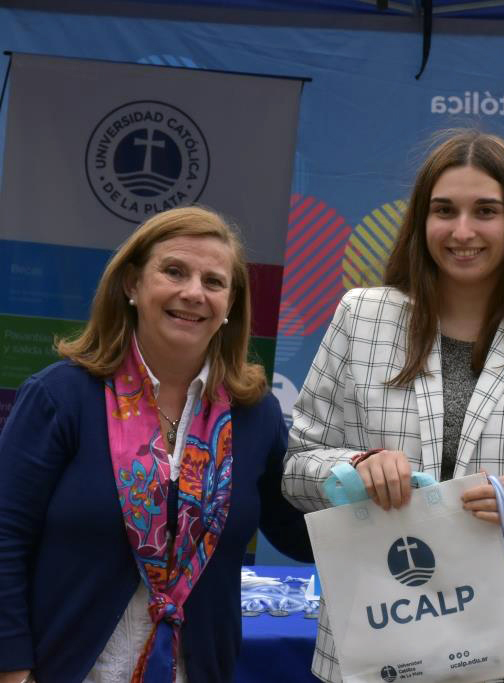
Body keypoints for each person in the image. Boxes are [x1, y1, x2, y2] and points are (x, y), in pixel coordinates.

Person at [282, 129, 504, 682]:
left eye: (486, 211)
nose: (462, 231)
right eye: (444, 210)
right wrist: (353, 469)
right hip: (384, 635)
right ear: (421, 221)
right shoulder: (362, 317)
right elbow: (298, 467)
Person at [0, 206, 312, 683]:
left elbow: (297, 532)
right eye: (173, 271)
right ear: (131, 284)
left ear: (231, 305)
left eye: (213, 281)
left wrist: (374, 485)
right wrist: (12, 669)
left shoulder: (254, 416)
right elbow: (5, 537)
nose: (193, 293)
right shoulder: (61, 397)